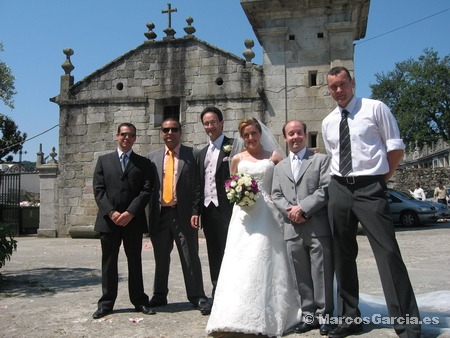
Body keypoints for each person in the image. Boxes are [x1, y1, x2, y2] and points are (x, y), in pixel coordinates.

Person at [322, 66, 421, 338]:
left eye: (343, 84)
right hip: (339, 187)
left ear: (352, 83)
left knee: (388, 253)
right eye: (333, 87)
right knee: (342, 255)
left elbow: (396, 148)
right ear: (328, 90)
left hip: (370, 186)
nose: (339, 90)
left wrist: (380, 181)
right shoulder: (329, 121)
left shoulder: (375, 108)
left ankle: (407, 323)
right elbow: (333, 156)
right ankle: (350, 319)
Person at [206, 118, 302, 337]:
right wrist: (238, 193)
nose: (250, 138)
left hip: (268, 214)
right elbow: (231, 184)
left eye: (254, 133)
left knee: (265, 257)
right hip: (243, 215)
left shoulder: (274, 156)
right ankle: (233, 313)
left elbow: (287, 183)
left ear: (260, 133)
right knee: (240, 259)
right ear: (242, 137)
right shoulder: (237, 159)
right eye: (246, 135)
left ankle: (270, 312)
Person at [272, 119, 334, 336]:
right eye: (290, 134)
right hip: (292, 227)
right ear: (285, 138)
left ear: (305, 135)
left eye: (298, 133)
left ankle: (325, 316)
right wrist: (290, 211)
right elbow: (276, 195)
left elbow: (325, 189)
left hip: (317, 225)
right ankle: (308, 316)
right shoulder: (280, 167)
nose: (295, 137)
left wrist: (303, 208)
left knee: (321, 271)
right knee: (301, 276)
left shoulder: (321, 161)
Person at [92, 123, 156, 319]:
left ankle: (139, 301)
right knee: (109, 263)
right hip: (108, 221)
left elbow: (146, 190)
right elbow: (98, 189)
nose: (127, 138)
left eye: (131, 135)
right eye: (124, 134)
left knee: (134, 261)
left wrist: (130, 213)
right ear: (117, 136)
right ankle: (106, 303)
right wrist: (111, 212)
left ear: (135, 138)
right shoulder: (103, 161)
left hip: (133, 221)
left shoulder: (143, 163)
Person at [147, 117, 211, 315]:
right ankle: (159, 295)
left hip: (184, 214)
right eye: (166, 130)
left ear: (180, 132)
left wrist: (195, 211)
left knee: (190, 256)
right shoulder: (152, 158)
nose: (170, 133)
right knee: (160, 257)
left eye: (174, 129)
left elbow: (199, 186)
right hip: (160, 214)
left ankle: (197, 296)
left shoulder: (194, 155)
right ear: (161, 132)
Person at [191, 106, 234, 297]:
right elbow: (199, 185)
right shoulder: (201, 153)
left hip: (228, 209)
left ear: (222, 123)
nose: (210, 126)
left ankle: (232, 292)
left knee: (230, 251)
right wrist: (195, 211)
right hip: (208, 211)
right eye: (206, 123)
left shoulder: (233, 146)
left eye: (213, 122)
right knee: (213, 252)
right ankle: (217, 291)